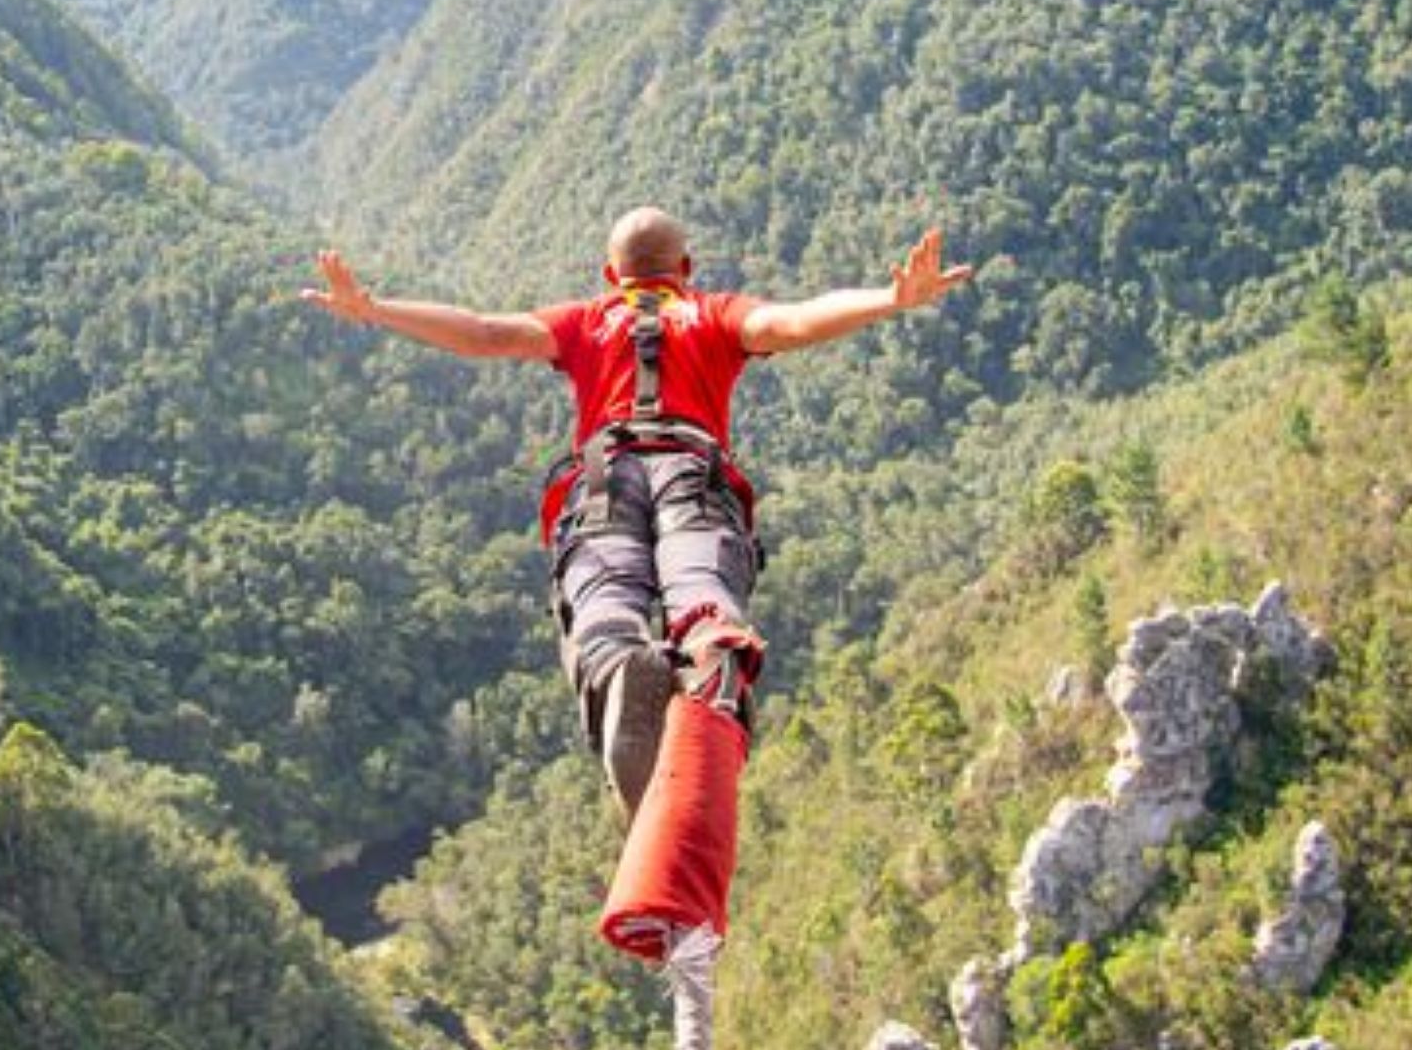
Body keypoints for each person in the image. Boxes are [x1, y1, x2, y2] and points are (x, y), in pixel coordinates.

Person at [303, 209, 972, 822]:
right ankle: (709, 647)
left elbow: (483, 333)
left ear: (609, 275)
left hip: (604, 480)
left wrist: (375, 308)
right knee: (701, 590)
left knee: (602, 598)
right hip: (692, 473)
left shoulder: (585, 320)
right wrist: (891, 299)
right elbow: (794, 321)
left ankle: (618, 656)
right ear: (686, 270)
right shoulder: (713, 313)